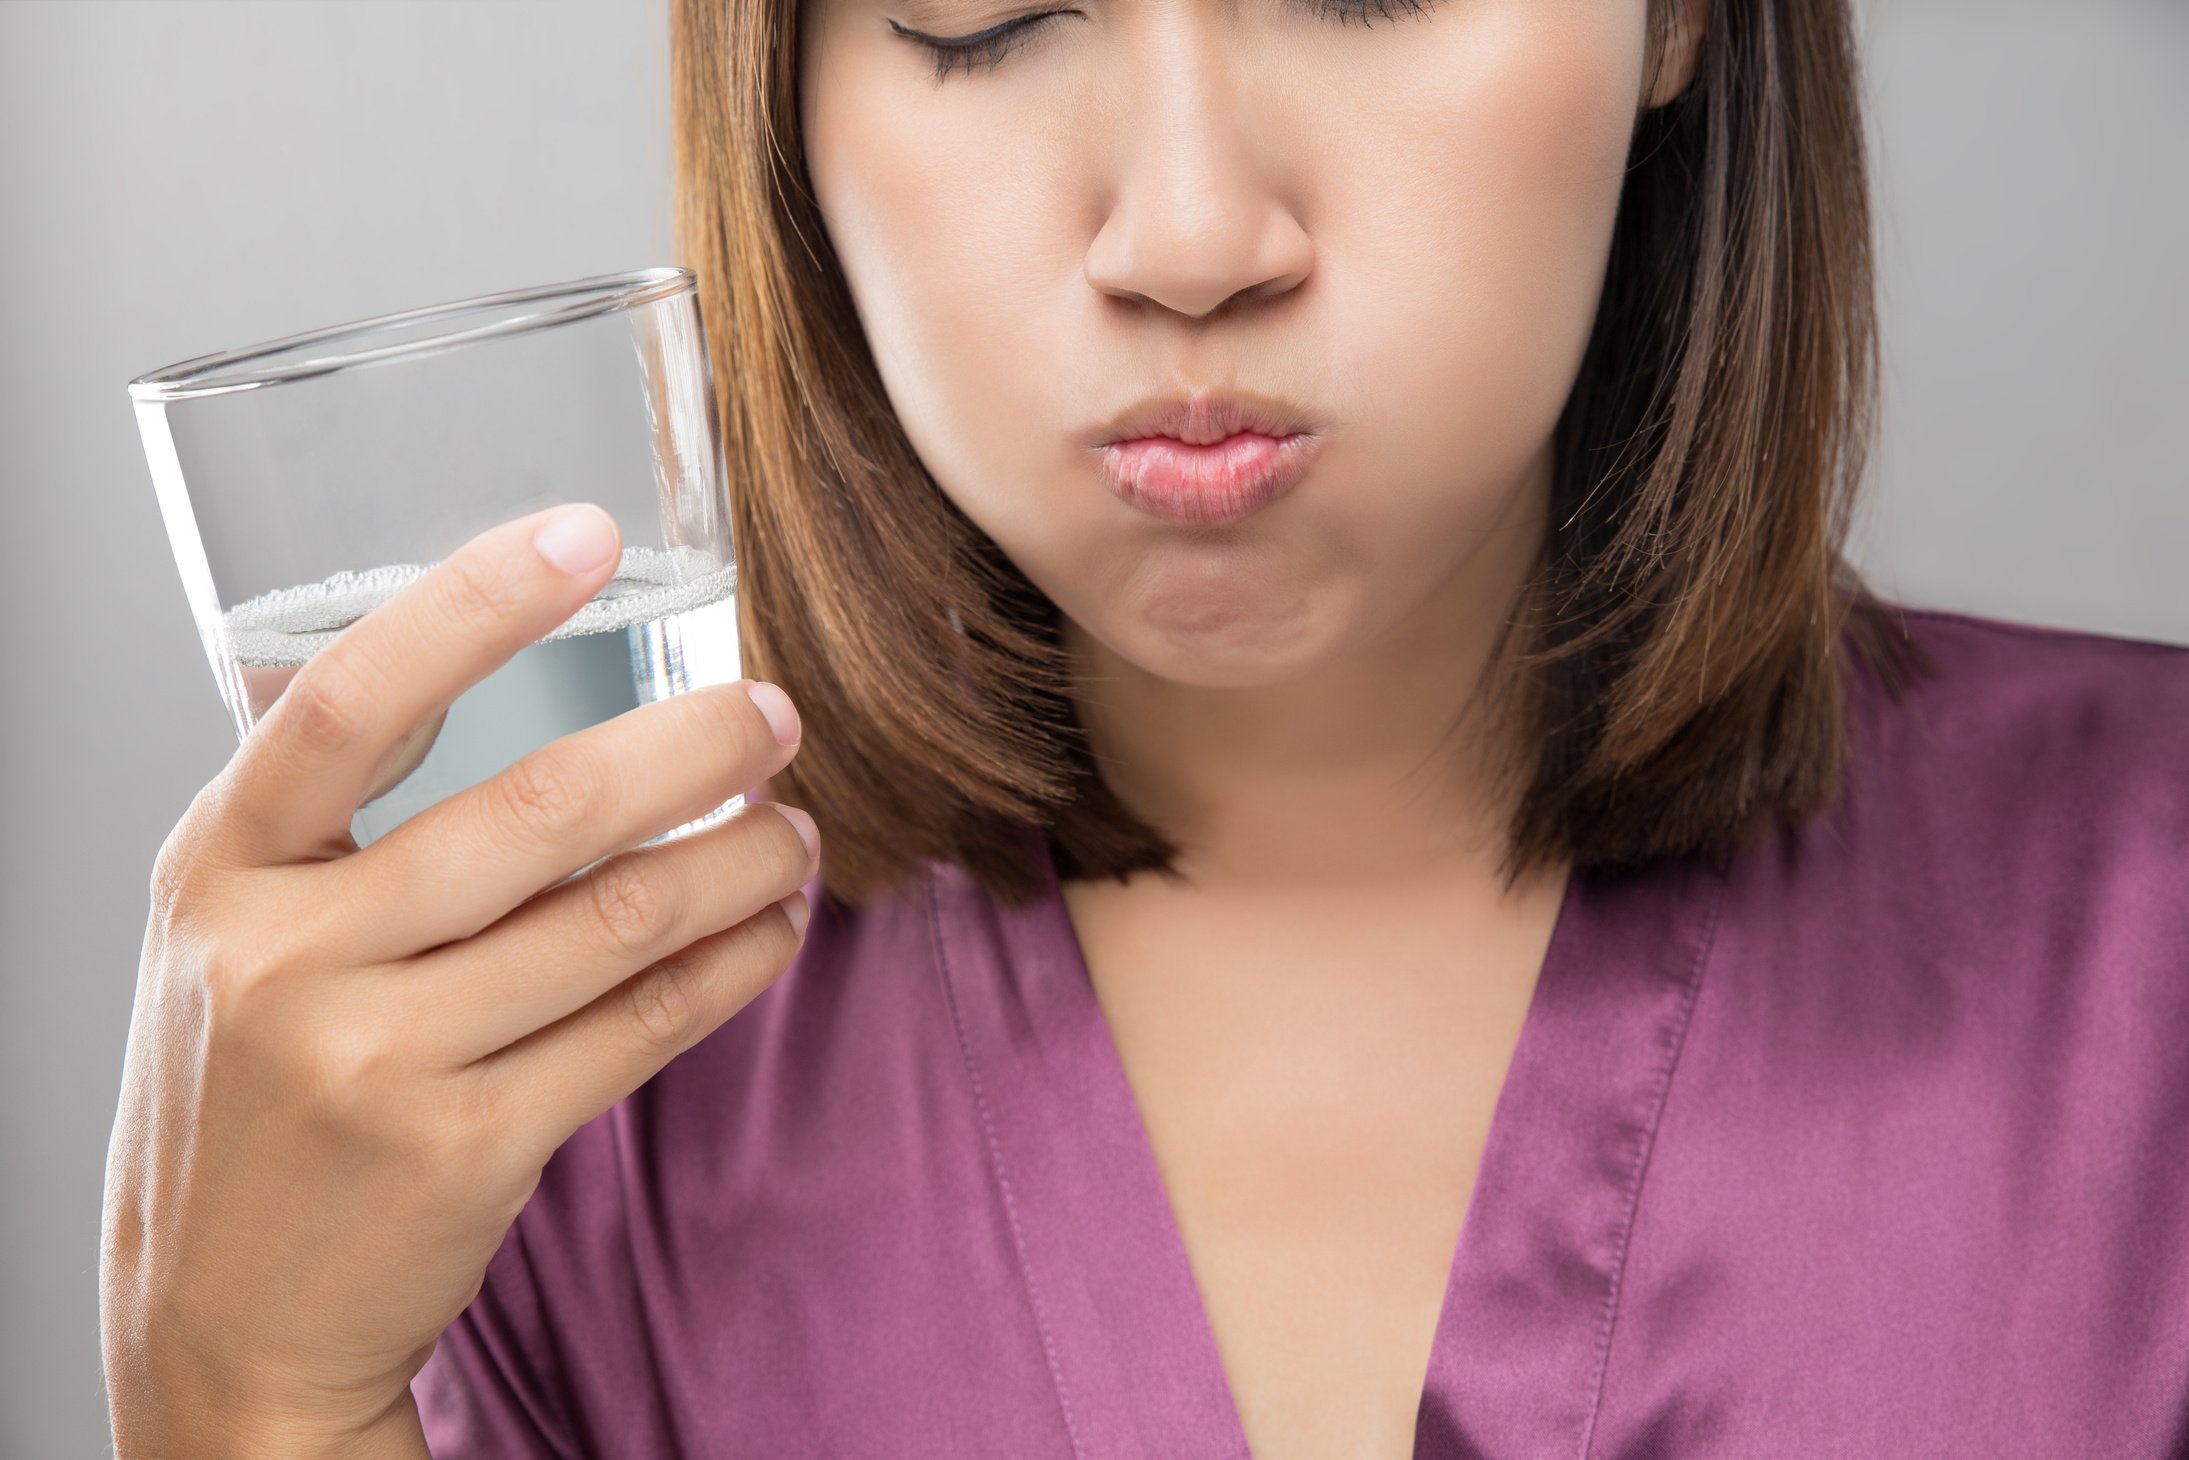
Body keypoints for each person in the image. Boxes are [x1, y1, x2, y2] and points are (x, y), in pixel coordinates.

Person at [100, 0, 2189, 1455]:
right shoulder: (550, 1126)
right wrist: (252, 1410)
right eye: (983, 15)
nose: (1189, 237)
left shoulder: (2153, 944)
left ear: (1681, 19)